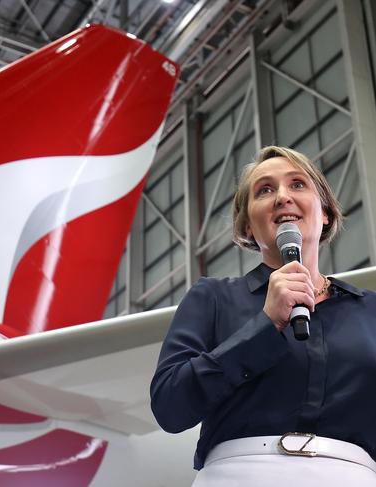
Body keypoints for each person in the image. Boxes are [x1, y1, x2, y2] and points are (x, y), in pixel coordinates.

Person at [149, 146, 376, 486]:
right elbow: (170, 406)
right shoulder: (212, 297)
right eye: (265, 190)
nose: (282, 197)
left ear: (325, 211)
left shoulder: (370, 310)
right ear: (248, 226)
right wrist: (264, 324)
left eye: (298, 184)